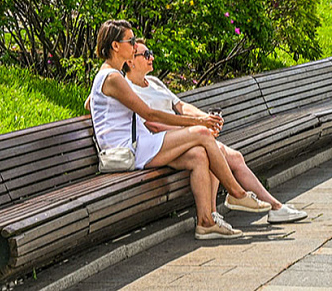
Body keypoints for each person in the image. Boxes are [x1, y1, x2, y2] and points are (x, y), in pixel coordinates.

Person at [89, 20, 271, 240]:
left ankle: (206, 222)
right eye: (130, 41)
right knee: (202, 134)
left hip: (141, 143)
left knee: (198, 155)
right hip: (128, 149)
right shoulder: (112, 77)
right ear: (115, 46)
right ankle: (237, 193)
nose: (135, 45)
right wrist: (198, 123)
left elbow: (91, 103)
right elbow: (150, 114)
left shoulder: (111, 75)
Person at [123, 39, 307, 224]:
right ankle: (221, 210)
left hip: (185, 133)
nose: (151, 57)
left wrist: (206, 119)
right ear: (130, 61)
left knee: (236, 157)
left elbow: (181, 106)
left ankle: (269, 207)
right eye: (146, 54)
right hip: (163, 142)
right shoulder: (128, 89)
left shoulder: (154, 82)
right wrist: (195, 129)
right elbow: (151, 124)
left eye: (151, 52)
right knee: (213, 151)